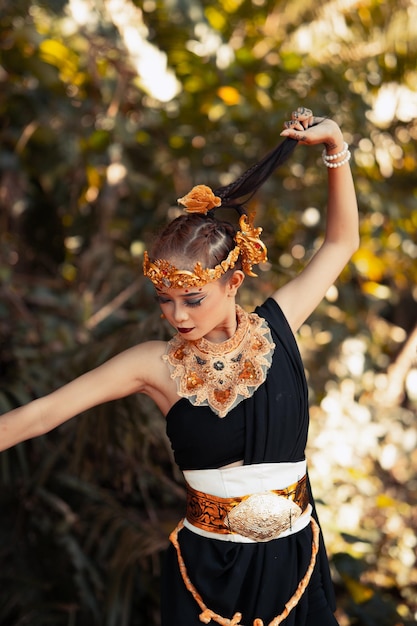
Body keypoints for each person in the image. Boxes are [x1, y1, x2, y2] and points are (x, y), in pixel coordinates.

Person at [0, 107, 359, 625]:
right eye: (163, 300)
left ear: (232, 283)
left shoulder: (278, 325)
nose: (176, 315)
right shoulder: (153, 364)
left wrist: (335, 149)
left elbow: (341, 243)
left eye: (191, 298)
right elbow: (39, 415)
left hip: (295, 563)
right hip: (210, 573)